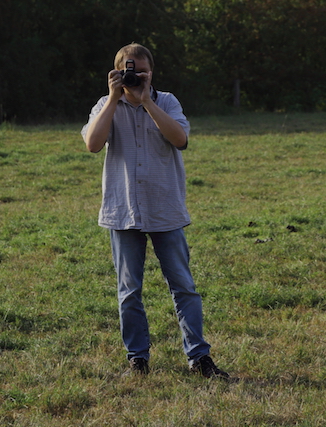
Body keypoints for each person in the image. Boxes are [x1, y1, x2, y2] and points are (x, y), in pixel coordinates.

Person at [81, 43, 229, 378]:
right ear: (118, 72)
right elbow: (92, 144)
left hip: (165, 208)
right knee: (129, 292)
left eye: (142, 71)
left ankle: (199, 358)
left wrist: (147, 100)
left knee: (183, 287)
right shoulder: (105, 104)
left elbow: (180, 140)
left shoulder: (167, 102)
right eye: (129, 71)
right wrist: (114, 97)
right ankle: (138, 360)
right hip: (123, 211)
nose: (136, 77)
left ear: (152, 72)